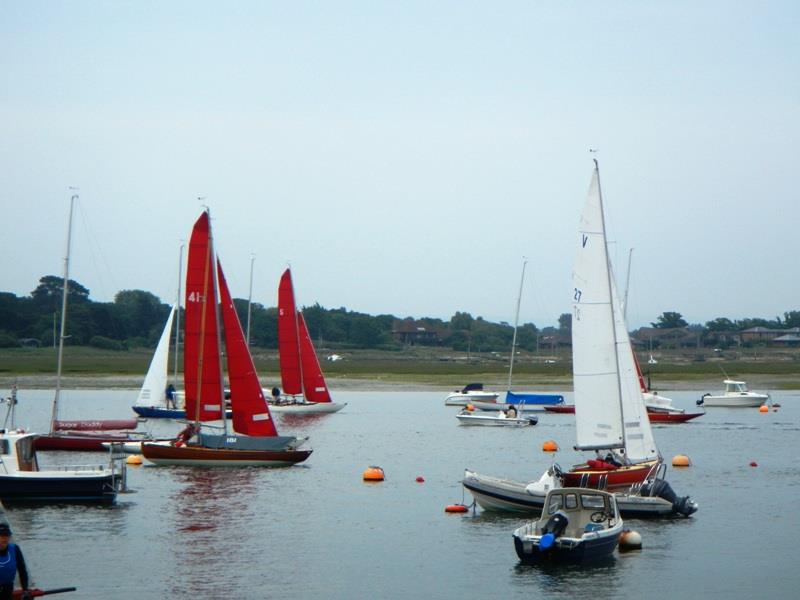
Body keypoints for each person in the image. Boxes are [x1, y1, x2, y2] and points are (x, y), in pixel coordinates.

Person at [0, 523, 28, 600]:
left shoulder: (15, 549)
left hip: (7, 590)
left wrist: (25, 590)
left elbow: (22, 570)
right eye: (2, 536)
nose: (5, 538)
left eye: (7, 536)